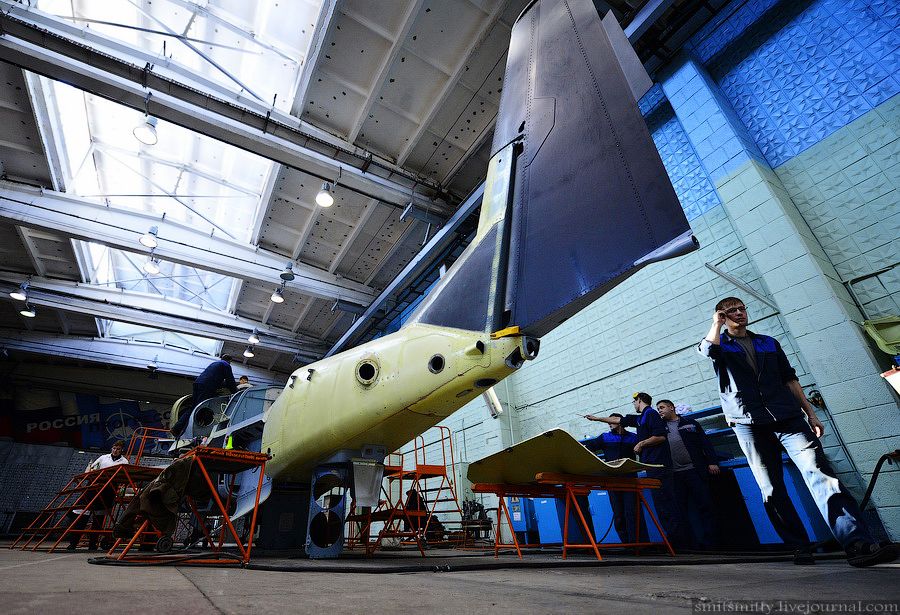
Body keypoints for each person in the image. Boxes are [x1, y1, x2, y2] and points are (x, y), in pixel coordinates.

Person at [699, 296, 897, 567]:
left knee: (821, 473)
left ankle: (858, 544)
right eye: (731, 311)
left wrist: (810, 413)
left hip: (787, 417)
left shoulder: (768, 342)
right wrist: (716, 324)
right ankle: (799, 546)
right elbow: (707, 350)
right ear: (722, 316)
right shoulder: (721, 345)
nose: (740, 313)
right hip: (748, 422)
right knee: (771, 487)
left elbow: (789, 379)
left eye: (742, 308)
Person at [587, 392, 687, 548]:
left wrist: (641, 444)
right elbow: (593, 444)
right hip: (615, 479)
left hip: (640, 474)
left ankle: (648, 543)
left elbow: (660, 437)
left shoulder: (646, 420)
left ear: (639, 400)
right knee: (620, 513)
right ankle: (628, 544)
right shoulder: (632, 423)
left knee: (641, 510)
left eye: (634, 402)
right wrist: (596, 418)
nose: (633, 405)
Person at [656, 399, 719, 549]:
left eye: (662, 407)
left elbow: (705, 443)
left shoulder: (690, 423)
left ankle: (710, 543)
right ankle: (690, 543)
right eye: (658, 409)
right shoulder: (660, 428)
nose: (660, 411)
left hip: (695, 470)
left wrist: (712, 462)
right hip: (675, 475)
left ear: (671, 407)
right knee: (680, 510)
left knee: (705, 505)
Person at [582, 412, 640, 543]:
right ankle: (626, 543)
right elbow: (588, 448)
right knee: (618, 513)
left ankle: (637, 543)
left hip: (630, 480)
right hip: (612, 480)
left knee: (632, 511)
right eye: (608, 421)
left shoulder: (633, 438)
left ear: (619, 421)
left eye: (611, 420)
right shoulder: (605, 437)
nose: (609, 423)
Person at [66, 440, 128, 551]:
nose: (115, 451)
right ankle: (73, 543)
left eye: (118, 449)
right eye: (114, 448)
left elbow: (122, 477)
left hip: (108, 490)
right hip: (94, 487)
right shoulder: (103, 458)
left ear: (121, 450)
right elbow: (92, 470)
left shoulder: (124, 462)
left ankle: (93, 544)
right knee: (81, 515)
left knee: (99, 519)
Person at [172, 355, 238, 438]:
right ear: (229, 361)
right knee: (200, 409)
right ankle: (180, 430)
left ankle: (178, 429)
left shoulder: (216, 364)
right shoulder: (226, 365)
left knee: (194, 407)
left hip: (199, 383)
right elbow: (230, 381)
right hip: (206, 386)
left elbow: (218, 380)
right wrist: (236, 393)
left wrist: (225, 385)